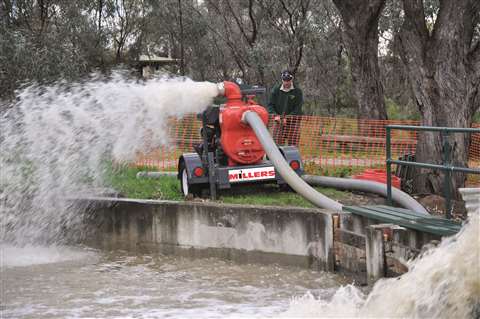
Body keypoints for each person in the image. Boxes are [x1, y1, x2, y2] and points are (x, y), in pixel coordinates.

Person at [267, 70, 303, 146]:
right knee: (277, 142)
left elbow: (298, 108)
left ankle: (292, 157)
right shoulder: (275, 90)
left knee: (293, 141)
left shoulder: (297, 91)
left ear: (292, 79)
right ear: (282, 79)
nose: (286, 82)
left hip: (293, 121)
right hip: (278, 120)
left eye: (288, 80)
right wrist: (275, 116)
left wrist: (287, 118)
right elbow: (270, 105)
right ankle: (278, 157)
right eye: (284, 80)